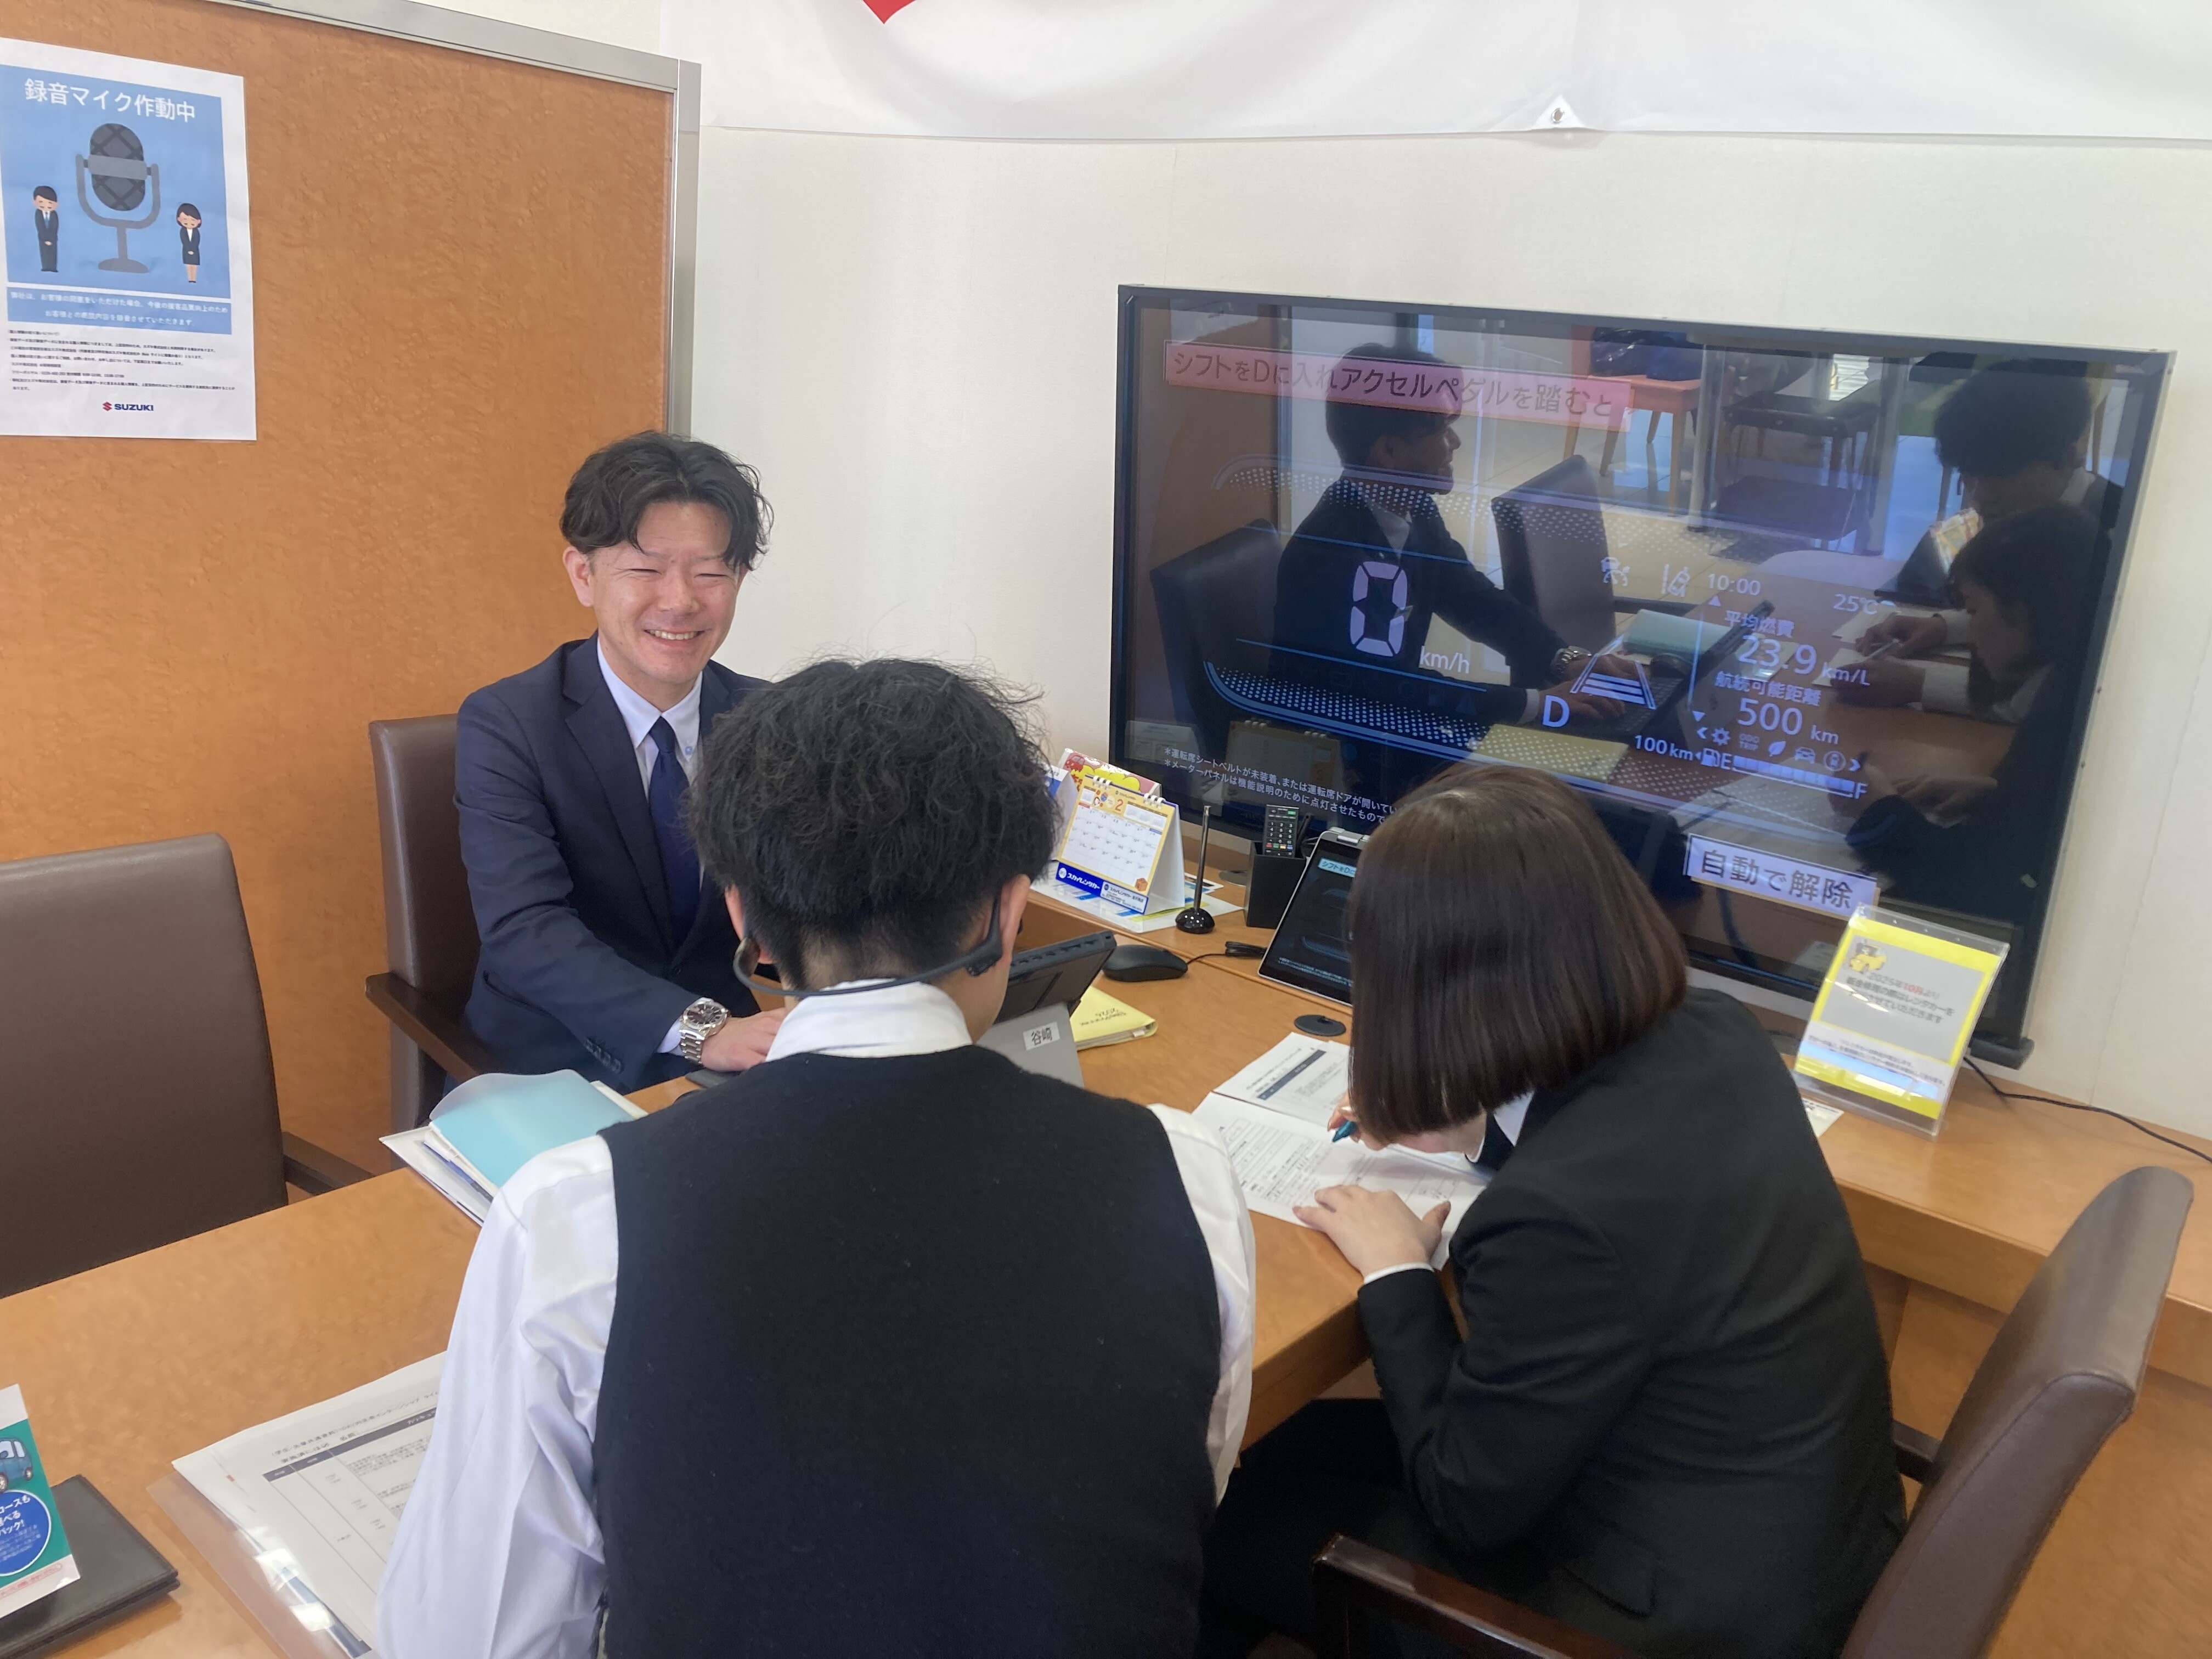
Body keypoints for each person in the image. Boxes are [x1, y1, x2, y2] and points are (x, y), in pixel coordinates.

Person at [381, 659, 1257, 1659]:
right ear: (1010, 911)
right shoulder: (1187, 1180)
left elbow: (466, 1638)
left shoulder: (573, 1217)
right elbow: (1170, 1493)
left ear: (743, 918)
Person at [1201, 766, 1903, 1659]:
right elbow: (1608, 1151)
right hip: (1793, 1543)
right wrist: (1464, 1123)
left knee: (1207, 1513)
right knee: (1278, 1440)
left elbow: (1462, 1504)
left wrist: (1398, 1271)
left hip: (1654, 1616)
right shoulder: (1717, 1032)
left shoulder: (1554, 1220)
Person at [455, 431, 782, 1091]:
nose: (681, 600)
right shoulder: (508, 723)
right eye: (646, 569)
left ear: (739, 581)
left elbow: (813, 898)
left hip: (729, 1063)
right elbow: (526, 930)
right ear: (584, 576)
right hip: (558, 1061)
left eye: (710, 572)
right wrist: (703, 1030)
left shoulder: (770, 721)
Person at [1844, 506, 2098, 924]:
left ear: (2021, 613)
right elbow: (2038, 818)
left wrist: (1879, 810)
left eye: (1975, 611)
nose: (1972, 632)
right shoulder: (2076, 684)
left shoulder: (2055, 722)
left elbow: (1971, 884)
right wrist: (2000, 796)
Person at [1842, 360, 2115, 718]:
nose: (1980, 497)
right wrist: (1945, 627)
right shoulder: (2024, 519)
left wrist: (1919, 683)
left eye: (2002, 476)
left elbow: (2056, 698)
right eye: (1969, 475)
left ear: (2068, 457)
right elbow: (2037, 620)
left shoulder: (2114, 544)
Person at [32, 185, 58, 273]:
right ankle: (46, 267)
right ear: (35, 202)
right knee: (44, 253)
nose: (46, 205)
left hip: (53, 239)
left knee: (53, 253)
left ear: (56, 204)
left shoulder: (54, 215)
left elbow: (55, 227)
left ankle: (53, 267)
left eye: (50, 203)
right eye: (41, 202)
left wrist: (51, 239)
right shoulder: (38, 214)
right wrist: (45, 239)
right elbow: (40, 227)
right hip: (43, 239)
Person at [175, 202, 201, 282]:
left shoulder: (196, 231)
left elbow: (197, 241)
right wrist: (189, 249)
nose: (189, 224)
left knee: (195, 265)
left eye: (193, 222)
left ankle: (194, 279)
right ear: (179, 219)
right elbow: (184, 241)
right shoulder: (183, 231)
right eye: (186, 222)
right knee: (189, 266)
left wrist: (193, 249)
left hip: (195, 251)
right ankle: (190, 279)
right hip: (186, 250)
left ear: (198, 221)